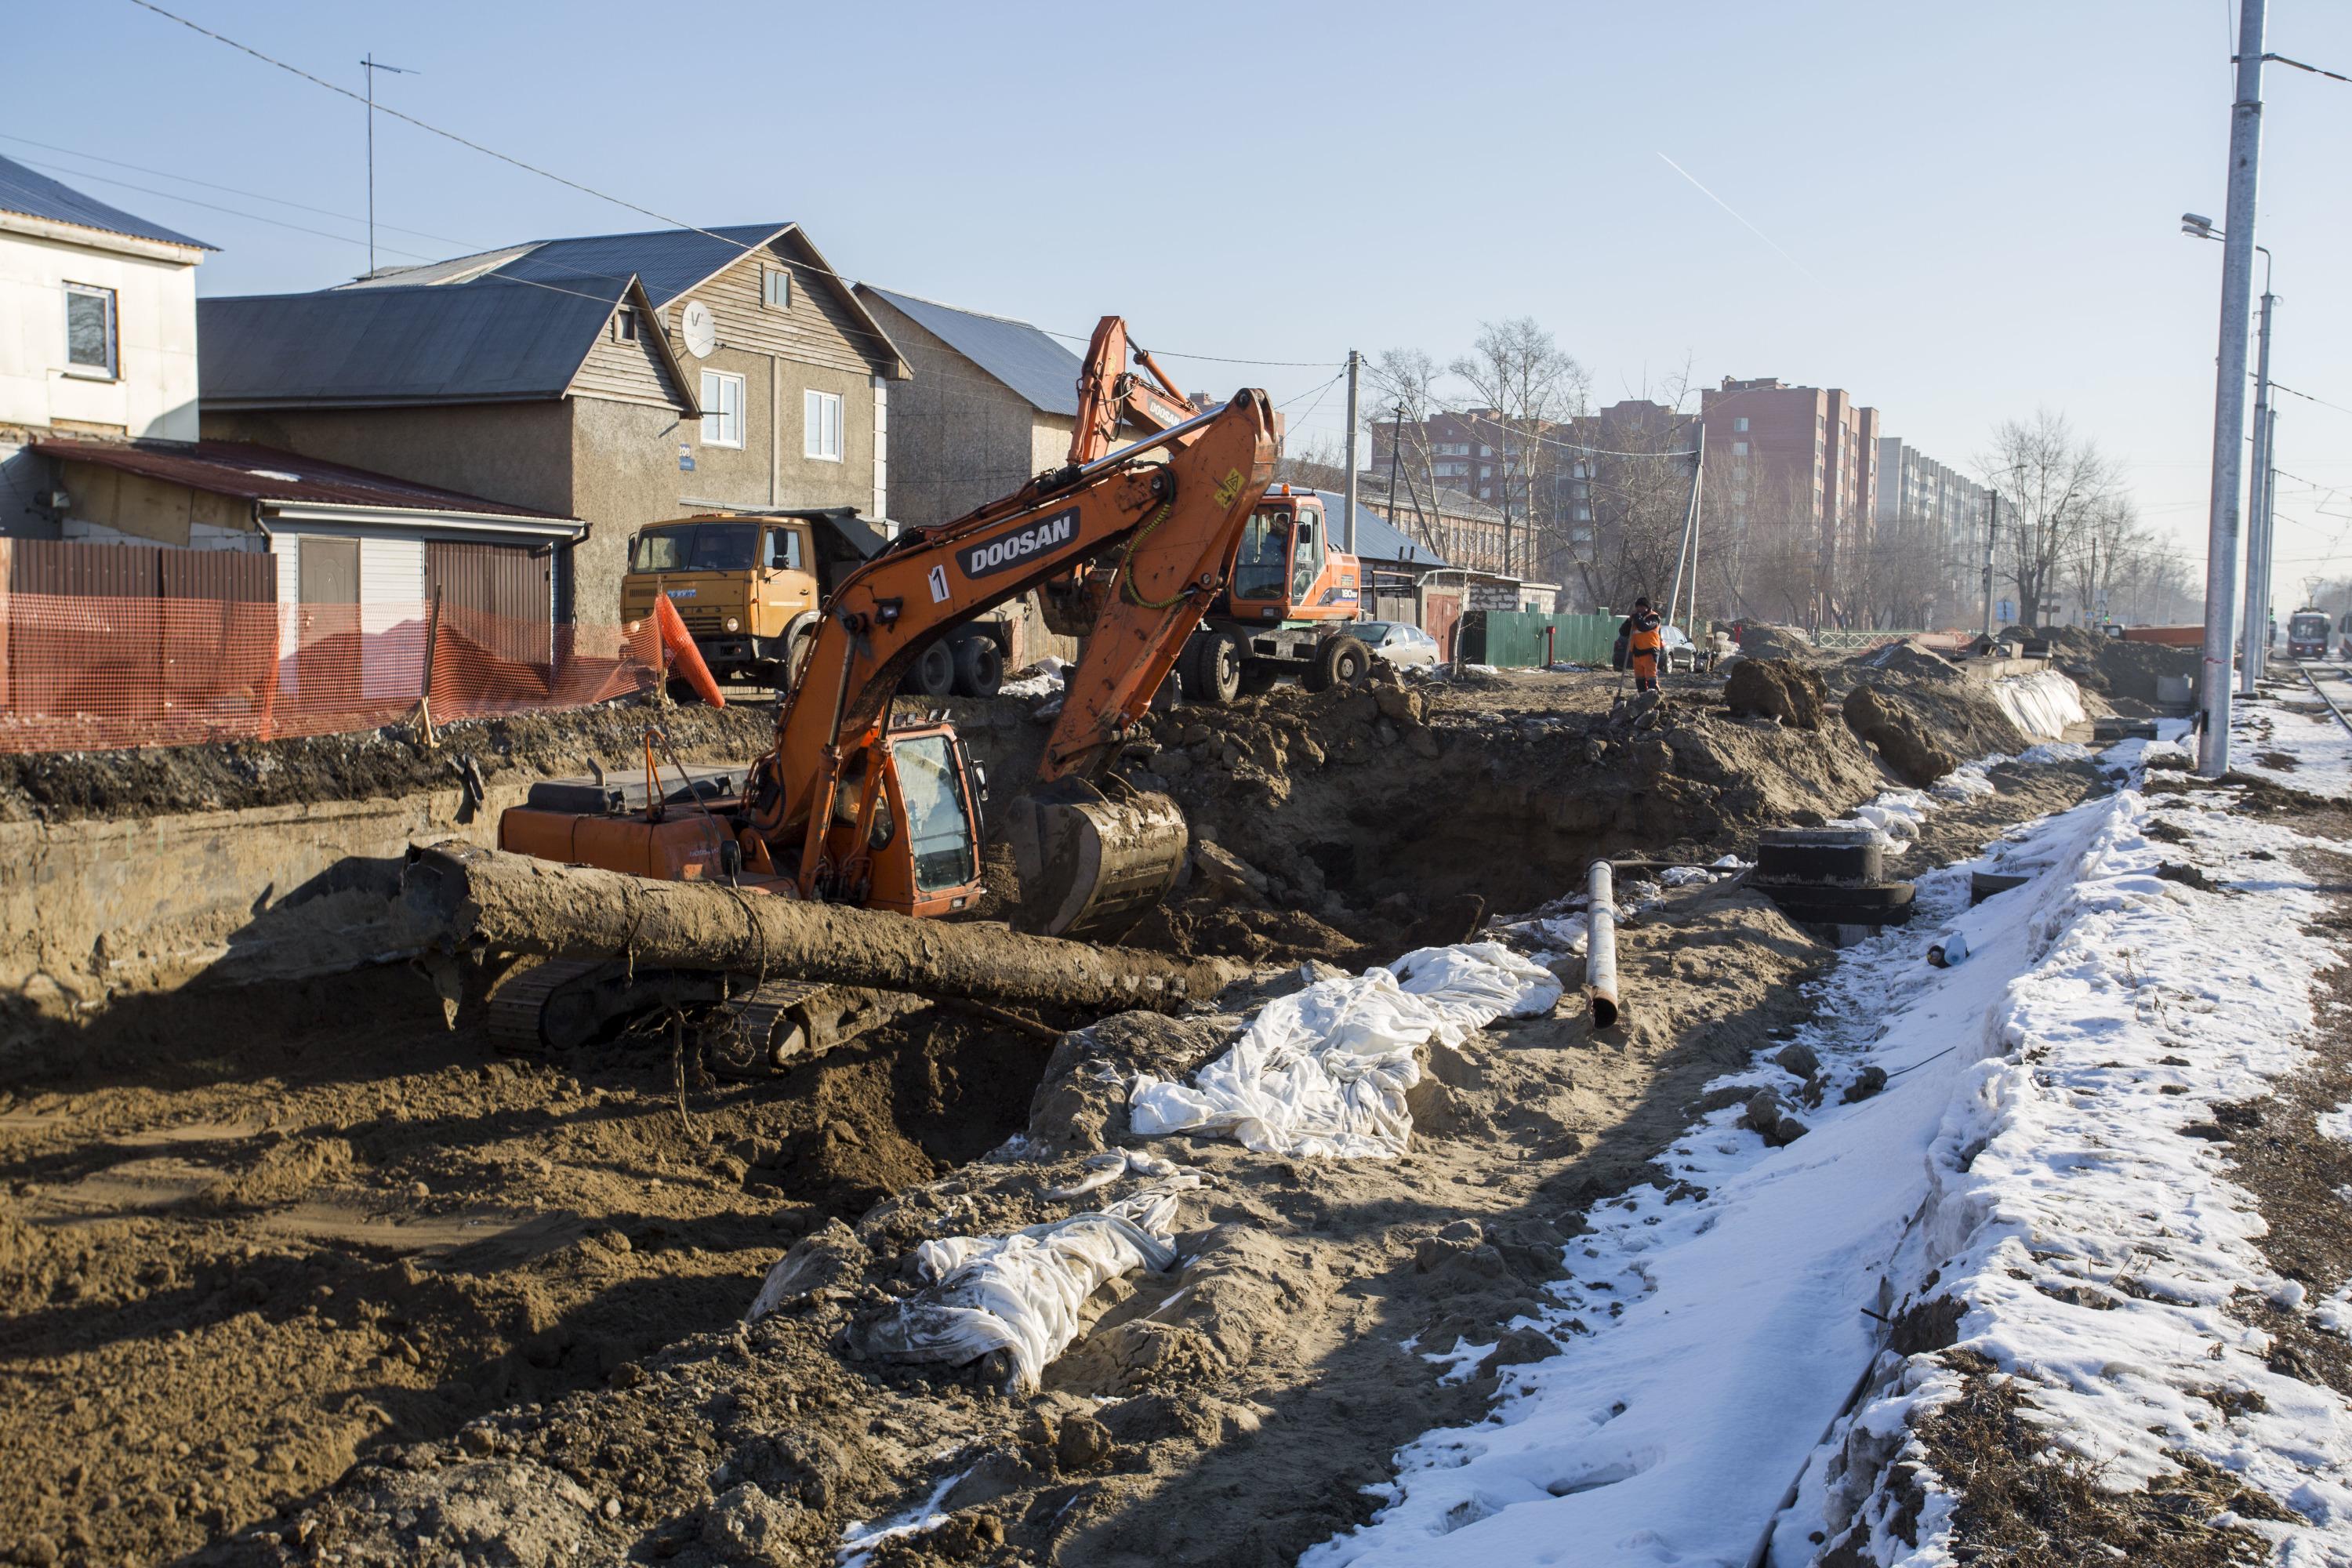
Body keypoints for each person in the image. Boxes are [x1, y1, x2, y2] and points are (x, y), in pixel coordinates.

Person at [1621, 597, 1664, 693]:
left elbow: (1645, 627)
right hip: (1637, 653)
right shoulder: (1635, 620)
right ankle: (1642, 699)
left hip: (1650, 652)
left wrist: (1637, 619)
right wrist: (1629, 621)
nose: (1639, 609)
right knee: (1640, 680)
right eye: (1637, 607)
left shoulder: (1654, 617)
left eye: (1641, 606)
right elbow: (1623, 632)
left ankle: (1654, 699)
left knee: (1651, 678)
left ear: (1647, 607)